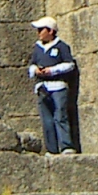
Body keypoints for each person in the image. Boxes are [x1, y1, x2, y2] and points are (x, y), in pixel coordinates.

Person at [27, 16, 77, 155]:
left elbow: (69, 64)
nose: (39, 33)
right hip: (43, 87)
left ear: (50, 31)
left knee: (60, 116)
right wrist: (35, 70)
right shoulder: (38, 48)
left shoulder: (61, 46)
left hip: (57, 87)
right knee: (47, 120)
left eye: (41, 30)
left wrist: (52, 70)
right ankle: (52, 148)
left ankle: (66, 145)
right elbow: (32, 64)